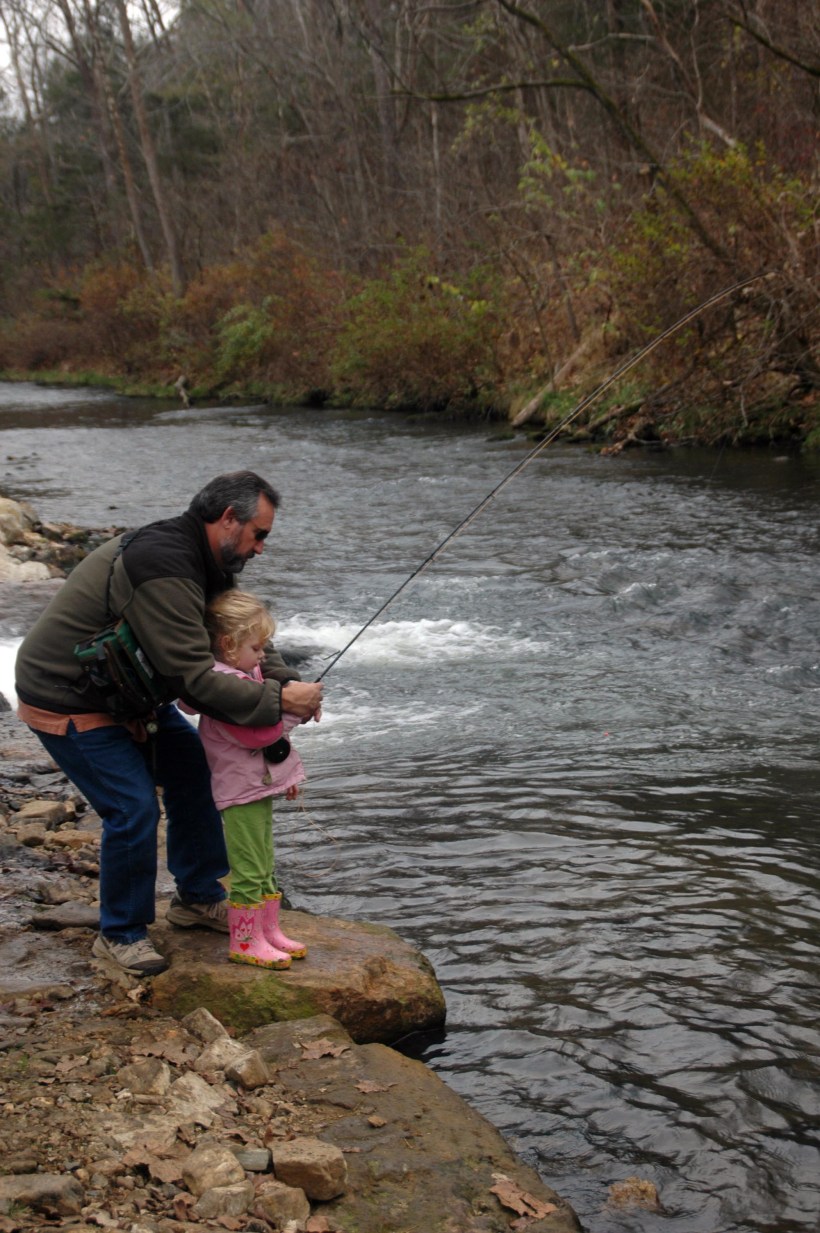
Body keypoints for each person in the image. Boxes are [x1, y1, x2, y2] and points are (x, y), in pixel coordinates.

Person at [14, 471, 323, 977]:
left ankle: (198, 899)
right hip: (68, 695)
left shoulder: (210, 561)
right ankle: (121, 934)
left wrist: (287, 684)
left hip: (130, 693)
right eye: (259, 534)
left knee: (196, 775)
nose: (261, 548)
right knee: (132, 807)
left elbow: (241, 638)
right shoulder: (163, 564)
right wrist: (279, 700)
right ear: (228, 519)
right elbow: (194, 680)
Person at [182, 589, 312, 970]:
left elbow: (269, 744)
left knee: (266, 862)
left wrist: (284, 776)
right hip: (240, 792)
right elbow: (257, 736)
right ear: (227, 644)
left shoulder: (246, 673)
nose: (262, 657)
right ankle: (244, 941)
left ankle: (268, 931)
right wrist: (295, 712)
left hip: (258, 785)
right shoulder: (224, 688)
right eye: (256, 648)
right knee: (249, 866)